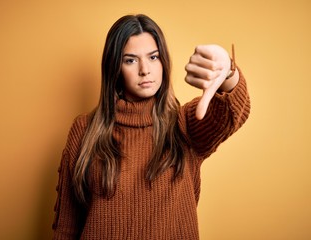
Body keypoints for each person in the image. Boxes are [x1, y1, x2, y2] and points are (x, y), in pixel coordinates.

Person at [52, 14, 250, 240]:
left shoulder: (183, 122)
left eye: (153, 57)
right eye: (130, 60)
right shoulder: (85, 129)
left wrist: (228, 73)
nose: (145, 69)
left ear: (164, 61)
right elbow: (66, 228)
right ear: (114, 67)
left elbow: (230, 113)